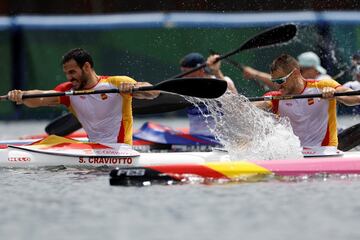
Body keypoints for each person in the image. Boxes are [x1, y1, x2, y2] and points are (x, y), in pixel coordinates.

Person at [7, 48, 159, 144]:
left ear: (86, 67)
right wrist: (22, 96)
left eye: (72, 72)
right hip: (92, 148)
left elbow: (153, 92)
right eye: (66, 73)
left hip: (120, 150)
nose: (69, 78)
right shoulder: (68, 91)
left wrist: (134, 88)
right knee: (51, 141)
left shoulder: (117, 83)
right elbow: (40, 98)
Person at [256, 54, 360, 147]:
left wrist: (336, 95)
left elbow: (356, 98)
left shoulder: (323, 86)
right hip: (295, 154)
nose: (277, 85)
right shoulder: (275, 98)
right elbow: (245, 107)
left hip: (325, 152)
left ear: (295, 73)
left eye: (280, 80)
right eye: (274, 81)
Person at [179, 52, 237, 136]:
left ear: (200, 70)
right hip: (195, 138)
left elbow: (236, 102)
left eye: (185, 72)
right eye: (182, 72)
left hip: (219, 138)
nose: (183, 76)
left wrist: (217, 72)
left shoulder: (224, 81)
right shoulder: (183, 87)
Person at [243, 51, 331, 90]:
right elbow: (278, 81)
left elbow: (328, 82)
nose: (317, 72)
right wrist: (254, 74)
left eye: (301, 71)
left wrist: (329, 90)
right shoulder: (296, 81)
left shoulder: (324, 78)